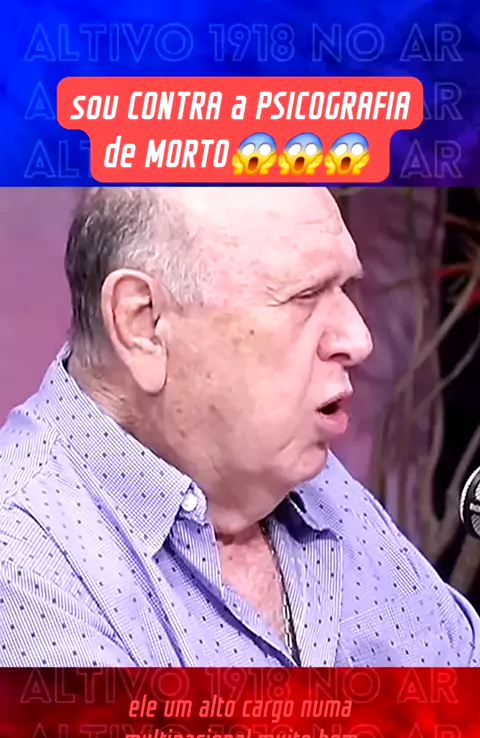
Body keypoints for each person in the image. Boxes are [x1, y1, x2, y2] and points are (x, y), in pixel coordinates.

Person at [0, 186, 478, 668]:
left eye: (345, 289)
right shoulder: (23, 560)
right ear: (143, 324)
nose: (357, 339)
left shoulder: (296, 469)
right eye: (305, 296)